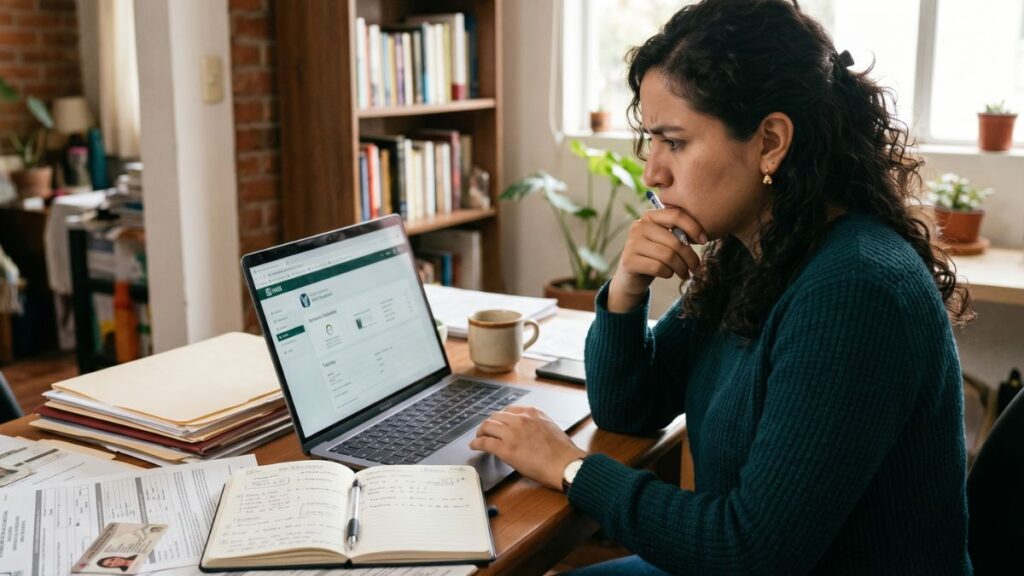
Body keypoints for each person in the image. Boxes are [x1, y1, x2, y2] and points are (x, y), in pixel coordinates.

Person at [469, 0, 973, 573]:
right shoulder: (757, 251)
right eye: (651, 141)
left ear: (770, 141)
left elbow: (749, 550)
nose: (652, 173)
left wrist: (569, 467)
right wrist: (626, 289)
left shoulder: (855, 289)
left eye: (675, 142)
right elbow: (628, 408)